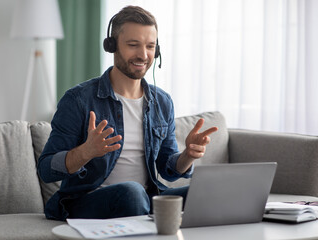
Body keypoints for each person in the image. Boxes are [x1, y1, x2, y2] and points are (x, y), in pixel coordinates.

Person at [37, 5, 218, 221]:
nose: (143, 55)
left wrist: (188, 155)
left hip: (144, 199)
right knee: (132, 192)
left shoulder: (162, 102)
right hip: (87, 201)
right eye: (133, 45)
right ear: (112, 46)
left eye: (150, 46)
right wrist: (85, 152)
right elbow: (46, 169)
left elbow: (167, 169)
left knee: (213, 192)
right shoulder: (79, 99)